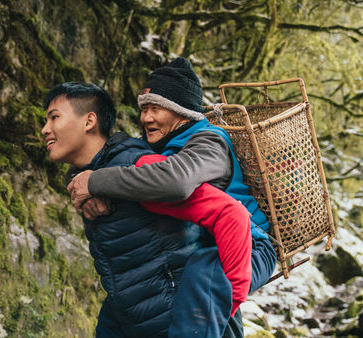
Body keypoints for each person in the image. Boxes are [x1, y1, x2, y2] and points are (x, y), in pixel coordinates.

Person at [66, 57, 278, 337]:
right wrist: (77, 182)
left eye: (156, 109)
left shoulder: (209, 142)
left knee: (203, 279)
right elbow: (107, 158)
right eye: (144, 109)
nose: (146, 118)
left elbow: (175, 181)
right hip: (205, 246)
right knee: (125, 302)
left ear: (181, 111)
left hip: (250, 245)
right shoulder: (156, 144)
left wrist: (97, 182)